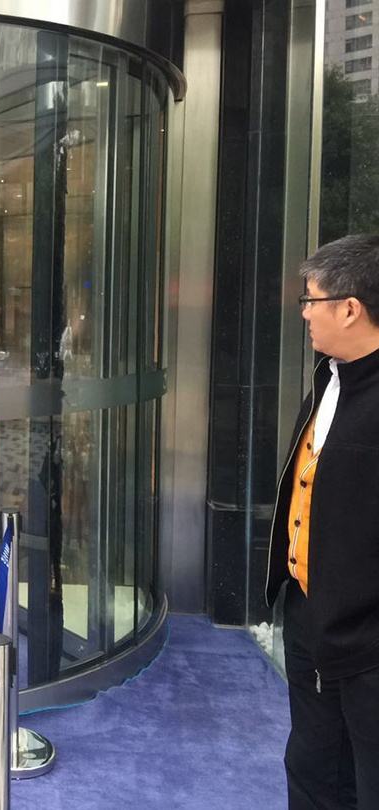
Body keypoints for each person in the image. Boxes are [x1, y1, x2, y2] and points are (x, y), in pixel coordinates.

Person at [268, 234, 379, 809]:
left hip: (367, 640)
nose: (305, 313)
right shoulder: (329, 377)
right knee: (311, 764)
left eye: (311, 300)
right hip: (310, 613)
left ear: (350, 308)